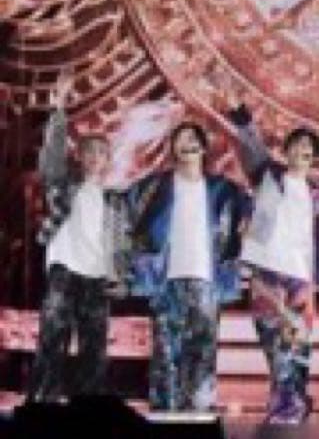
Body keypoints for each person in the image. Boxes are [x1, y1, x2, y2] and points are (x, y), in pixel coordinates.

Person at [226, 95, 319, 424]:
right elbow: (251, 144)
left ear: (315, 157)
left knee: (298, 351)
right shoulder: (268, 175)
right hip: (268, 272)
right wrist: (241, 117)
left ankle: (289, 414)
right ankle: (288, 412)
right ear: (288, 151)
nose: (303, 149)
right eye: (297, 144)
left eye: (309, 147)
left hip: (301, 279)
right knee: (276, 349)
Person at [127, 117, 249, 414]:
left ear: (204, 148)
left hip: (207, 281)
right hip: (165, 280)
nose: (188, 144)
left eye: (193, 139)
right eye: (181, 140)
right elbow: (125, 212)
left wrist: (245, 232)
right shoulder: (154, 187)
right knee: (165, 357)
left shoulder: (223, 189)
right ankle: (164, 419)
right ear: (172, 149)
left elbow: (253, 210)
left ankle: (198, 418)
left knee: (203, 355)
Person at [27, 72, 129, 403]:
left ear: (108, 160)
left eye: (101, 152)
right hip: (65, 270)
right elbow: (52, 156)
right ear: (80, 156)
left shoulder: (115, 199)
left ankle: (89, 407)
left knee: (94, 349)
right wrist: (59, 110)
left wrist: (119, 276)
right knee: (52, 341)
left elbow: (121, 242)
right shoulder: (64, 185)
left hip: (97, 277)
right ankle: (41, 403)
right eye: (89, 151)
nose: (95, 157)